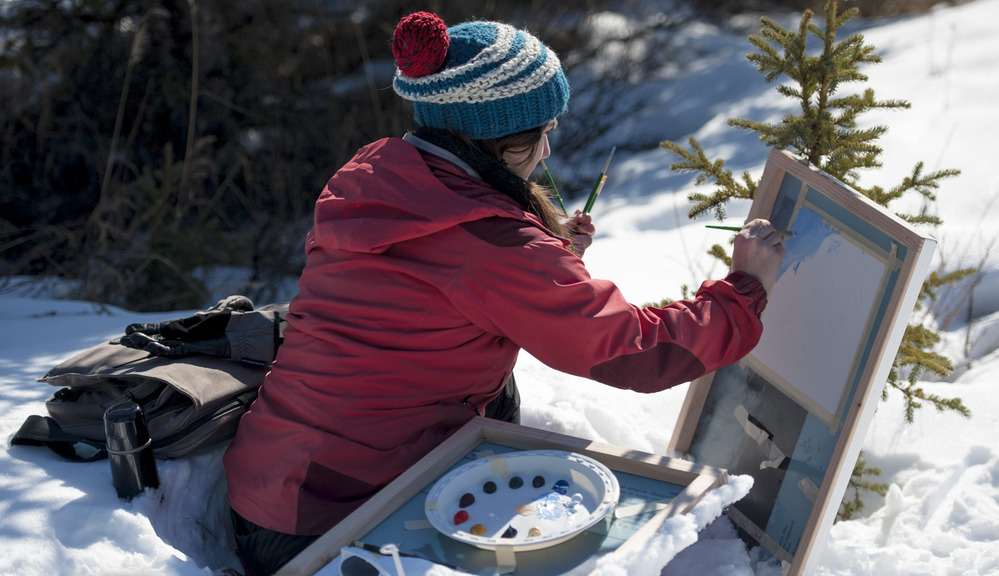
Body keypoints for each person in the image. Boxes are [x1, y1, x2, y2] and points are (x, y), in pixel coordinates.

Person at [222, 11, 784, 575]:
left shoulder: (377, 182)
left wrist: (543, 262)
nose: (547, 151)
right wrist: (743, 290)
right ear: (499, 138)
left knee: (498, 393)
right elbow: (631, 350)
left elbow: (441, 284)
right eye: (543, 131)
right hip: (327, 521)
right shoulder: (490, 243)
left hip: (270, 484)